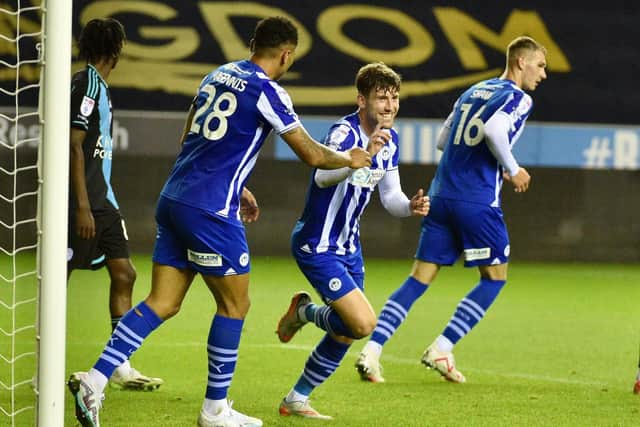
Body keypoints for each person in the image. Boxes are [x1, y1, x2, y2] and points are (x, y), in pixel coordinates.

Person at [67, 16, 371, 427]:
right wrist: (349, 158)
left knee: (163, 302)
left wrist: (236, 182)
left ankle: (96, 380)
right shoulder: (270, 90)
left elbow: (189, 137)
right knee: (234, 304)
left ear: (252, 44)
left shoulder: (216, 75)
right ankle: (214, 410)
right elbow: (313, 155)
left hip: (175, 198)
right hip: (211, 211)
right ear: (286, 54)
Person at [355, 36, 547, 384]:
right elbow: (493, 128)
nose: (543, 74)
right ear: (521, 62)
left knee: (418, 278)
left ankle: (373, 350)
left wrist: (484, 155)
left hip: (441, 194)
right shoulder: (518, 97)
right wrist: (512, 166)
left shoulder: (473, 91)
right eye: (540, 65)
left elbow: (443, 140)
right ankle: (442, 347)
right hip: (476, 201)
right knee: (494, 278)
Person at [275, 62, 429, 419]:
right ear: (362, 100)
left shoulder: (390, 140)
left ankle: (296, 398)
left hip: (348, 249)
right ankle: (305, 312)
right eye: (381, 98)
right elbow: (321, 180)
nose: (389, 106)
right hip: (318, 244)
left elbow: (391, 198)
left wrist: (411, 206)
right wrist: (360, 159)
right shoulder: (344, 134)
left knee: (347, 330)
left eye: (394, 98)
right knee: (362, 324)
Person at [66, 18, 163, 393]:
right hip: (86, 202)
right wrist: (82, 206)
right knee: (59, 279)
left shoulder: (97, 86)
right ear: (116, 51)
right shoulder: (87, 83)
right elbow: (74, 143)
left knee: (124, 274)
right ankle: (42, 363)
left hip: (104, 200)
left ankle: (119, 365)